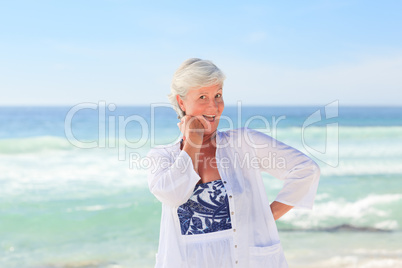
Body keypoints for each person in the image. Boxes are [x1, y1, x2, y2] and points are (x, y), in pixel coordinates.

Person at [147, 58, 321, 267]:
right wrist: (192, 142)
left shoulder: (244, 143)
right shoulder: (162, 157)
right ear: (182, 102)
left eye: (218, 95)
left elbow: (305, 170)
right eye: (203, 96)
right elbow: (172, 195)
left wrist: (265, 217)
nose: (214, 106)